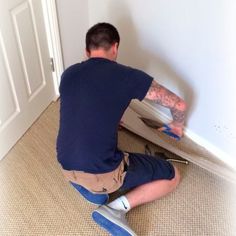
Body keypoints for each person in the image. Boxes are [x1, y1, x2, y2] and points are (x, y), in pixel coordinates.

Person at [56, 22, 187, 236]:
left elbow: (82, 109)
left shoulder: (69, 74)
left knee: (90, 169)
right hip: (103, 172)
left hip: (66, 165)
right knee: (172, 175)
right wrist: (177, 127)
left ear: (87, 51)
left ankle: (93, 190)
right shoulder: (127, 76)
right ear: (115, 47)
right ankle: (114, 210)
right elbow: (179, 105)